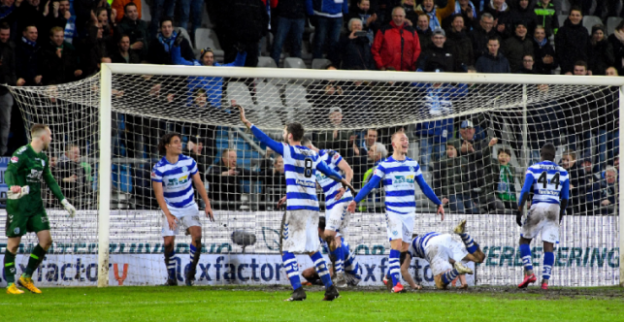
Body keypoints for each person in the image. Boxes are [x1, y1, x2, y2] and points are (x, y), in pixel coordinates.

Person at [237, 103, 354, 302]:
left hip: (297, 208)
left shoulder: (288, 150)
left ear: (290, 135)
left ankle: (297, 290)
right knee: (312, 248)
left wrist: (248, 122)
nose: (283, 135)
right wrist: (342, 180)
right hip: (312, 206)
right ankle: (330, 288)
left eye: (284, 132)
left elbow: (263, 139)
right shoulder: (311, 154)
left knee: (286, 249)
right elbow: (327, 170)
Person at [347, 129, 445, 293]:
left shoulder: (413, 164)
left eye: (407, 139)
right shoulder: (384, 165)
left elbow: (424, 187)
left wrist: (438, 203)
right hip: (393, 212)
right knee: (397, 244)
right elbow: (371, 185)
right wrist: (355, 200)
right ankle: (396, 285)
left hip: (409, 213)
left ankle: (388, 276)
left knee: (404, 249)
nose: (406, 142)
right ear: (394, 144)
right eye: (402, 139)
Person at [4, 124, 76, 295]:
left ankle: (26, 277)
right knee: (13, 245)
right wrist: (13, 185)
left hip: (36, 206)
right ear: (43, 137)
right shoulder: (21, 154)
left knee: (46, 240)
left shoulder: (43, 158)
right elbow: (9, 172)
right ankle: (9, 284)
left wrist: (64, 201)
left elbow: (50, 181)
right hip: (19, 206)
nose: (51, 139)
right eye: (50, 135)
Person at [151, 132, 214, 286]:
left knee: (197, 237)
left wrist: (207, 204)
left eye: (180, 142)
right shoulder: (159, 168)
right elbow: (159, 194)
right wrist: (168, 215)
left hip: (188, 205)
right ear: (167, 146)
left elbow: (199, 183)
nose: (180, 145)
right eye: (176, 142)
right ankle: (171, 278)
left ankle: (190, 272)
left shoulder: (189, 162)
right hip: (170, 207)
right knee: (168, 243)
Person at [300, 138, 354, 288]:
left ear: (310, 147)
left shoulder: (330, 154)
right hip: (329, 204)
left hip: (342, 199)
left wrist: (345, 187)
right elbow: (316, 184)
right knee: (334, 238)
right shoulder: (313, 164)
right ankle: (339, 277)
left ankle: (340, 275)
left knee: (329, 233)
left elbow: (348, 170)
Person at [516, 143, 569, 290]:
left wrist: (520, 209)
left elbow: (526, 190)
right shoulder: (563, 172)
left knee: (524, 240)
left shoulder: (533, 168)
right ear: (554, 156)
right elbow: (565, 198)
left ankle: (530, 273)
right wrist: (561, 214)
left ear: (541, 154)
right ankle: (545, 282)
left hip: (539, 204)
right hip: (554, 207)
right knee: (549, 246)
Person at [400, 220, 485, 289]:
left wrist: (414, 286)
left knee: (440, 284)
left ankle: (456, 271)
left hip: (433, 245)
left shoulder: (408, 246)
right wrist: (464, 283)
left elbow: (403, 269)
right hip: (445, 238)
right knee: (479, 258)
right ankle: (463, 234)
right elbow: (456, 261)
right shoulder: (424, 235)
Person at [301, 216, 362, 287]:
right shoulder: (324, 239)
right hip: (335, 265)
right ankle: (317, 283)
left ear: (318, 229)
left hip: (351, 274)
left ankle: (322, 284)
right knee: (306, 273)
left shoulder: (337, 244)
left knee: (329, 277)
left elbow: (339, 266)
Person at [371, 6, 421, 71]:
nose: (398, 18)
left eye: (400, 16)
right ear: (392, 16)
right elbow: (375, 50)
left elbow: (417, 50)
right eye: (396, 16)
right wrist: (381, 66)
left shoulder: (412, 32)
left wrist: (413, 67)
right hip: (387, 71)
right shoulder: (383, 30)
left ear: (404, 17)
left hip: (406, 72)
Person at [435, 142, 478, 214]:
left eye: (451, 148)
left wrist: (474, 199)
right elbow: (436, 182)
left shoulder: (464, 161)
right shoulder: (441, 162)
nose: (449, 151)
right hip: (451, 195)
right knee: (460, 210)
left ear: (457, 149)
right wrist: (441, 198)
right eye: (447, 149)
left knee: (474, 211)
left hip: (465, 194)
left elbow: (470, 181)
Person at [306, 0, 349, 64]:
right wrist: (310, 12)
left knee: (334, 43)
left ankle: (332, 64)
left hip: (337, 16)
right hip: (322, 15)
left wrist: (345, 11)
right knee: (320, 41)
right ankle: (316, 63)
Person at [270, 0, 306, 66]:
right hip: (283, 15)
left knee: (297, 45)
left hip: (299, 15)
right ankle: (273, 67)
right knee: (278, 44)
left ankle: (296, 67)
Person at [555, 7, 589, 75]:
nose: (575, 17)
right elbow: (559, 52)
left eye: (577, 15)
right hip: (567, 70)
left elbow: (587, 51)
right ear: (569, 16)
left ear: (581, 17)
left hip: (582, 70)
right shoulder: (562, 31)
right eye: (573, 15)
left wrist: (587, 68)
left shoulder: (584, 31)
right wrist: (566, 70)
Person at [0, 22, 15, 156]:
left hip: (5, 92)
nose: (5, 37)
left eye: (7, 35)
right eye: (2, 34)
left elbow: (14, 69)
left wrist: (10, 82)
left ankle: (2, 153)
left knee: (6, 124)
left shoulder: (11, 48)